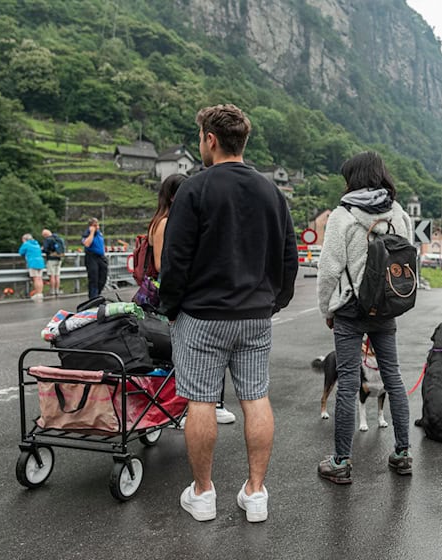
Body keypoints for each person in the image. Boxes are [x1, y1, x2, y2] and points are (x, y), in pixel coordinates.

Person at [158, 104, 298, 523]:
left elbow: (176, 259)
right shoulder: (272, 192)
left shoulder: (195, 190)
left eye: (200, 137)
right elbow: (288, 258)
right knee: (256, 397)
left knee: (200, 400)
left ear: (211, 140)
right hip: (255, 316)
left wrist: (171, 307)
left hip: (202, 315)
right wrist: (274, 301)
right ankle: (255, 494)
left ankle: (203, 494)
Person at [316, 151, 414, 484]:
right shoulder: (399, 214)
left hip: (350, 310)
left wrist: (326, 309)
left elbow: (328, 270)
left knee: (347, 382)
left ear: (353, 179)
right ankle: (402, 454)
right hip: (386, 308)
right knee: (394, 377)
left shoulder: (342, 216)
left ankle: (341, 462)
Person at [147, 173, 238, 426]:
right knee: (189, 355)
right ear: (175, 195)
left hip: (178, 294)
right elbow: (161, 263)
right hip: (175, 295)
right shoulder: (166, 222)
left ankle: (194, 407)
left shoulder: (169, 219)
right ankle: (192, 408)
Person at [81, 217, 107, 299]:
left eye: (97, 225)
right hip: (91, 257)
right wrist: (91, 232)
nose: (97, 227)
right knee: (93, 278)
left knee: (103, 277)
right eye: (95, 225)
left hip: (101, 257)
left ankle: (98, 294)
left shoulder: (99, 233)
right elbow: (87, 244)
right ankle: (93, 297)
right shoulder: (87, 233)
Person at [18, 233, 46, 302]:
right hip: (40, 262)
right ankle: (40, 293)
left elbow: (21, 252)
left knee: (35, 278)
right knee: (40, 278)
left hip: (33, 262)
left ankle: (37, 293)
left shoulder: (26, 244)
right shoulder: (36, 244)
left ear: (25, 239)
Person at [40, 229, 64, 296]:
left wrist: (42, 249)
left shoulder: (48, 239)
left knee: (52, 276)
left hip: (51, 259)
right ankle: (57, 290)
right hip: (59, 258)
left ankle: (52, 291)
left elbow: (45, 249)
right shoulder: (59, 239)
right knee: (57, 275)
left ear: (45, 235)